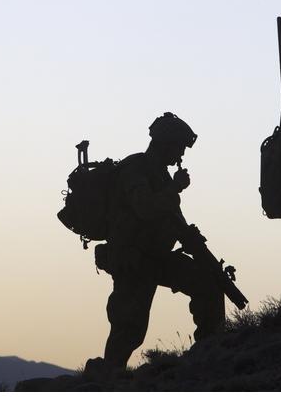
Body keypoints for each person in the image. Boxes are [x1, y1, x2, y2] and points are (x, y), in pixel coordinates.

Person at [87, 112, 225, 374]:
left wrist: (193, 241)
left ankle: (210, 352)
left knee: (208, 283)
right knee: (129, 328)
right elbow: (145, 208)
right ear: (165, 143)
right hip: (132, 259)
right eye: (178, 148)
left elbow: (171, 218)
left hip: (157, 257)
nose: (180, 155)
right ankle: (105, 379)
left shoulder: (160, 174)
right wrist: (175, 189)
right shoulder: (135, 169)